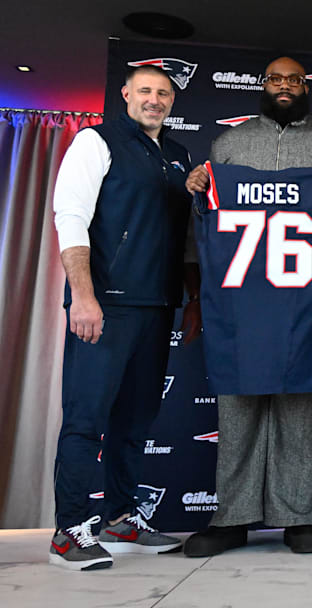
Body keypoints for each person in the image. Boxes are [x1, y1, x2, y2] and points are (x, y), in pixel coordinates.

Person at [182, 56, 312, 557]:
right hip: (237, 297)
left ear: (306, 87)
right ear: (264, 86)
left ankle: (295, 515)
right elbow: (205, 224)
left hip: (299, 295)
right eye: (275, 80)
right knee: (237, 405)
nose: (285, 87)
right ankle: (232, 516)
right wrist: (199, 189)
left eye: (294, 80)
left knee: (298, 405)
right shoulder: (229, 145)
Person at [50, 64, 199, 570]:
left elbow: (182, 239)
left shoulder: (177, 157)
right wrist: (83, 295)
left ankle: (120, 518)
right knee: (86, 418)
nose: (154, 100)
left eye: (163, 93)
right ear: (126, 94)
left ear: (172, 101)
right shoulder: (97, 141)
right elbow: (70, 215)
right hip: (106, 304)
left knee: (135, 421)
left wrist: (192, 298)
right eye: (145, 91)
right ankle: (68, 531)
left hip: (157, 306)